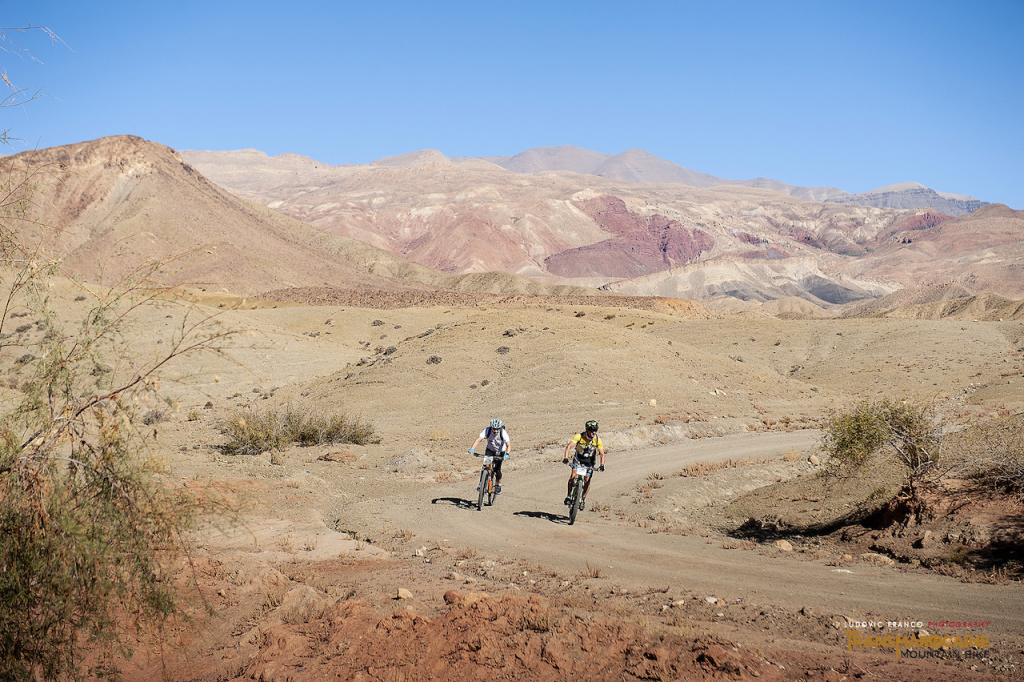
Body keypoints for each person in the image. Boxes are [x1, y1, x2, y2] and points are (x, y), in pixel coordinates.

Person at [562, 420, 606, 509]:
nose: (593, 432)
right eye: (591, 430)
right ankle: (569, 496)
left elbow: (602, 454)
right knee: (573, 477)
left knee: (587, 480)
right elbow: (569, 446)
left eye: (595, 430)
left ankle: (583, 499)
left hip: (589, 461)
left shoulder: (597, 440)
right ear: (587, 430)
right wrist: (566, 458)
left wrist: (602, 465)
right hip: (578, 459)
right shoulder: (580, 436)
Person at [469, 418, 511, 494]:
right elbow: (478, 439)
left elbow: (509, 445)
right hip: (490, 450)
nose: (495, 431)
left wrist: (507, 454)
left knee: (497, 470)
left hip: (500, 451)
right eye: (493, 429)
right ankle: (481, 485)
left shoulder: (503, 433)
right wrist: (472, 448)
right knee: (485, 467)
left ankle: (498, 485)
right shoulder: (487, 430)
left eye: (497, 429)